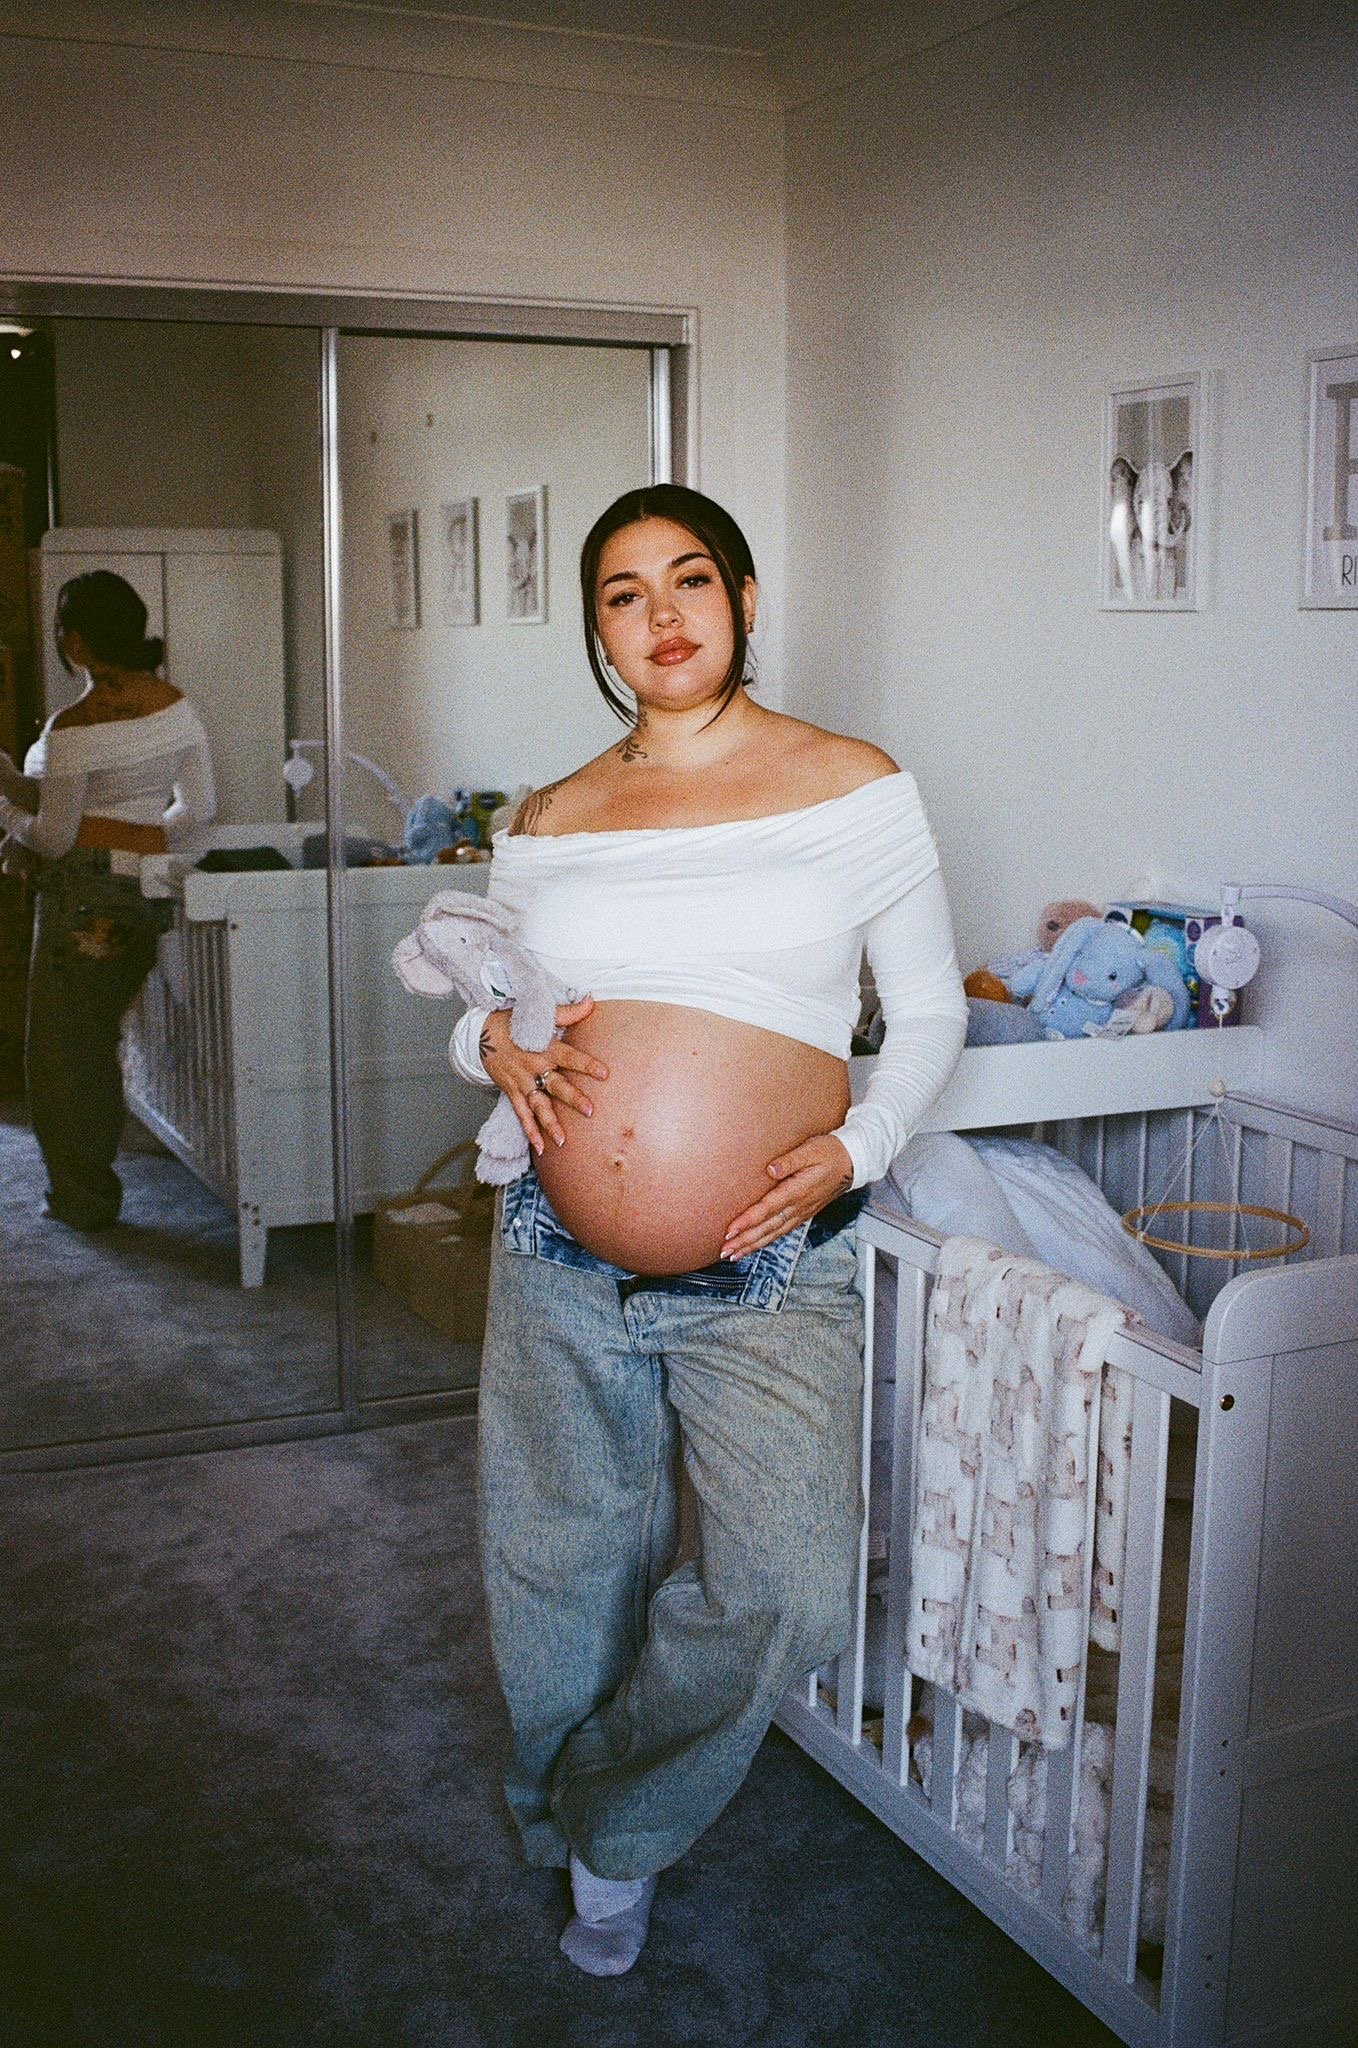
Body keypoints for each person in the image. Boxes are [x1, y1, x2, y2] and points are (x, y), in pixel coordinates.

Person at [447, 484, 967, 1975]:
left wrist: (854, 1148)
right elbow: (501, 1011)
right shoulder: (547, 817)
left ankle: (617, 1804)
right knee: (555, 1573)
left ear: (743, 596)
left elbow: (926, 1014)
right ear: (599, 630)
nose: (660, 616)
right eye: (622, 593)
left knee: (789, 1586)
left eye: (688, 580)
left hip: (766, 1264)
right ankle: (582, 1843)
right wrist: (486, 1045)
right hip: (554, 1245)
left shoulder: (848, 782)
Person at [0, 570, 216, 1228]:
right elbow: (200, 809)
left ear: (79, 643)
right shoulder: (175, 706)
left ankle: (84, 1200)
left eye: (63, 630)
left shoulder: (73, 726)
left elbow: (57, 838)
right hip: (145, 892)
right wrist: (137, 839)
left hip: (81, 899)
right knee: (100, 1037)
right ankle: (102, 1167)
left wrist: (6, 815)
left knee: (66, 1053)